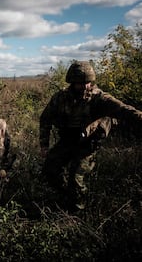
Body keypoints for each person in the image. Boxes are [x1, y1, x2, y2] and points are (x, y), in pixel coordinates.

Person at [39, 60, 142, 212]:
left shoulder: (99, 98)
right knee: (50, 168)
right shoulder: (60, 98)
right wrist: (44, 145)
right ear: (72, 83)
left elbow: (124, 110)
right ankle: (67, 195)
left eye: (88, 82)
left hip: (88, 142)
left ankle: (77, 210)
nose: (85, 86)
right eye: (81, 83)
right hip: (68, 139)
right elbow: (45, 119)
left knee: (76, 177)